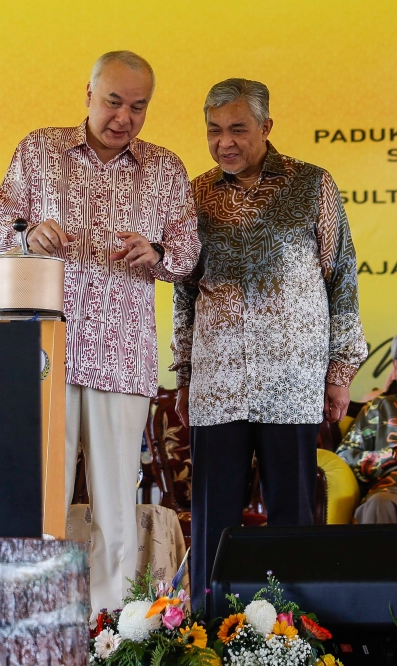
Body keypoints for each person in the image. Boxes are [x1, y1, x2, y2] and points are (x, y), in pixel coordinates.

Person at [0, 51, 200, 613]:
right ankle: (34, 616)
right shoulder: (40, 150)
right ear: (88, 93)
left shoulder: (165, 168)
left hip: (121, 355)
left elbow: (187, 252)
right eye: (113, 101)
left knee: (115, 507)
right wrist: (28, 232)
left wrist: (156, 252)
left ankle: (113, 628)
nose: (123, 117)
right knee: (41, 498)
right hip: (45, 354)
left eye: (138, 107)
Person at [171, 78, 367, 612]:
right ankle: (209, 627)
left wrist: (340, 372)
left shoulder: (312, 184)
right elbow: (184, 292)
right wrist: (185, 372)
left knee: (293, 518)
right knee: (214, 522)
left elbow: (342, 278)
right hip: (218, 382)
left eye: (237, 128)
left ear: (266, 127)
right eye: (214, 130)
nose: (224, 142)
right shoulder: (194, 193)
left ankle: (297, 630)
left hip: (292, 379)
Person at [335, 336, 397, 523]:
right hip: (391, 492)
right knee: (380, 503)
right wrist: (389, 456)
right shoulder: (379, 408)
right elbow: (343, 457)